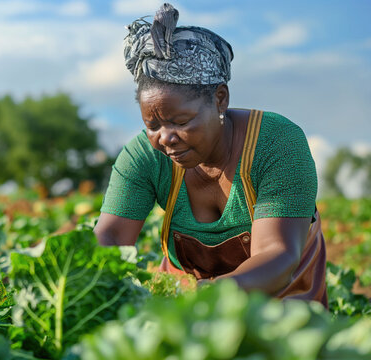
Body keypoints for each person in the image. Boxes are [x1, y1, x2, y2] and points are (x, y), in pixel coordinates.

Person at [94, 3, 327, 306]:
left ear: (220, 99)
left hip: (278, 307)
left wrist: (202, 297)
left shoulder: (276, 143)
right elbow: (109, 238)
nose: (165, 138)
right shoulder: (143, 157)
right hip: (182, 308)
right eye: (152, 125)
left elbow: (277, 254)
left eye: (181, 121)